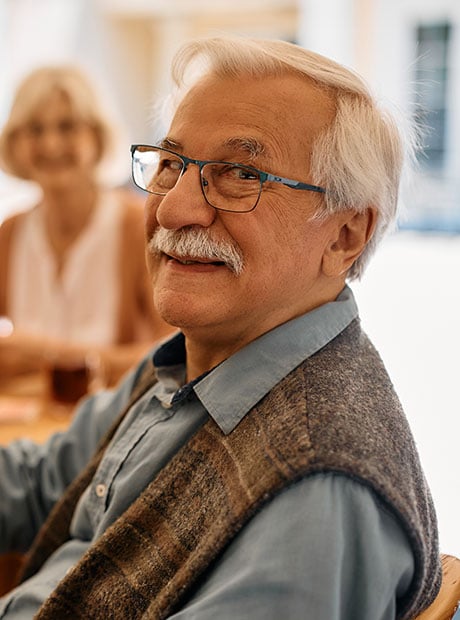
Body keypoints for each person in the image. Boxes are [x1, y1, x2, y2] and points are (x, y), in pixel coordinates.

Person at [0, 36, 440, 619]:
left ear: (345, 236)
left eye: (240, 173)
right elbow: (36, 483)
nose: (172, 209)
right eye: (173, 165)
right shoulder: (196, 359)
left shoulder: (318, 487)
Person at [0, 65, 174, 386]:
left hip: (112, 424)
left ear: (96, 136)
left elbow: (174, 353)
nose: (50, 145)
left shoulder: (137, 227)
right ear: (15, 142)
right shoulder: (9, 233)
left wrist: (44, 354)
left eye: (67, 127)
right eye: (35, 130)